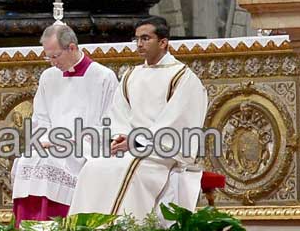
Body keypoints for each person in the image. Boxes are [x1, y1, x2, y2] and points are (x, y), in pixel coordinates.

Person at [68, 16, 208, 218]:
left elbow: (177, 123)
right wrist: (120, 139)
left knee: (127, 170)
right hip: (129, 149)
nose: (139, 44)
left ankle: (120, 225)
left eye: (145, 38)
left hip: (159, 153)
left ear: (163, 42)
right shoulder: (131, 75)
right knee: (93, 167)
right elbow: (119, 115)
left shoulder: (182, 77)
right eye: (137, 39)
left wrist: (136, 142)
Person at [11, 21, 118, 223]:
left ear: (72, 47)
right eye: (47, 57)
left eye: (55, 56)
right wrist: (49, 140)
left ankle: (57, 224)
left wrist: (71, 141)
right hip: (51, 144)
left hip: (86, 149)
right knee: (27, 161)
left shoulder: (103, 77)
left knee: (51, 163)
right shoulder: (48, 77)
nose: (52, 62)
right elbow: (40, 119)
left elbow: (109, 123)